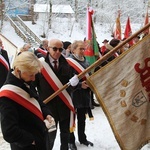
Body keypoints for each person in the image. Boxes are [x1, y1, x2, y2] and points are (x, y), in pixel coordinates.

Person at [0, 51, 55, 150]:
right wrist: (32, 140)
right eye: (31, 75)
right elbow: (9, 132)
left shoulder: (25, 80)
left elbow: (37, 100)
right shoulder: (7, 95)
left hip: (40, 140)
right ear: (18, 70)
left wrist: (47, 113)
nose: (34, 79)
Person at [33, 39, 79, 150]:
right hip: (48, 109)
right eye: (54, 49)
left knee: (65, 136)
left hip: (64, 106)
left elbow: (71, 86)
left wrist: (74, 84)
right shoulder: (40, 65)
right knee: (49, 138)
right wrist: (38, 103)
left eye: (60, 49)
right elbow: (32, 86)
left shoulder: (67, 64)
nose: (57, 52)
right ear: (48, 48)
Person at [68, 40, 94, 150]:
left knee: (82, 119)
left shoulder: (86, 61)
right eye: (80, 49)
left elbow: (89, 75)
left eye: (84, 49)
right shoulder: (68, 62)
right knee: (71, 120)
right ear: (73, 50)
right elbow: (67, 81)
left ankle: (82, 138)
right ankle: (70, 141)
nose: (83, 51)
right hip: (73, 95)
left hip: (84, 95)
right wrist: (79, 85)